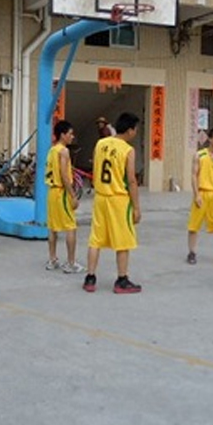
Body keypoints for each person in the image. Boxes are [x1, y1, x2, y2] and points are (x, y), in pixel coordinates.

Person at [83, 112, 142, 294]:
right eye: (136, 129)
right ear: (130, 130)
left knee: (95, 240)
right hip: (118, 199)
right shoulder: (128, 150)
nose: (136, 133)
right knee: (123, 241)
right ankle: (122, 280)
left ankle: (90, 278)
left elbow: (95, 169)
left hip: (101, 197)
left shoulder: (100, 144)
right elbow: (131, 180)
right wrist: (136, 207)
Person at [186, 127, 213, 267]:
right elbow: (194, 175)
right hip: (202, 193)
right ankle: (192, 252)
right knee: (194, 226)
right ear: (210, 139)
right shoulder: (199, 156)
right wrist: (196, 194)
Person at [45, 120, 84, 273]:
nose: (72, 137)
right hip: (61, 192)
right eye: (70, 134)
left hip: (52, 192)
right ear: (62, 135)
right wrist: (73, 195)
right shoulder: (64, 151)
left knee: (52, 228)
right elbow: (64, 175)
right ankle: (71, 262)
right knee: (71, 227)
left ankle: (52, 259)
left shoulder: (52, 150)